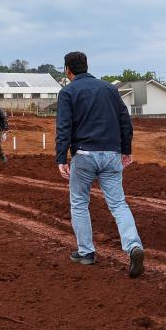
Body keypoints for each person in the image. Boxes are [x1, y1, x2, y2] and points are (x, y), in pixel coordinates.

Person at [55, 51, 145, 277]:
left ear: (68, 70)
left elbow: (63, 127)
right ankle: (134, 246)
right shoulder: (110, 89)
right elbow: (125, 121)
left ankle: (86, 253)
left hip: (84, 156)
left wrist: (61, 158)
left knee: (79, 203)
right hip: (111, 154)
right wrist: (126, 149)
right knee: (118, 204)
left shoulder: (67, 92)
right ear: (87, 66)